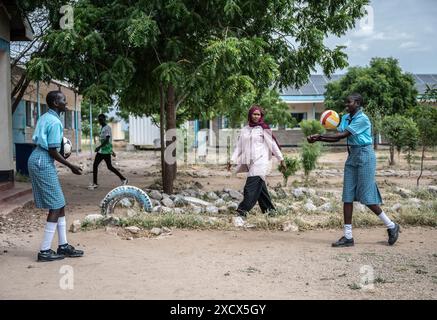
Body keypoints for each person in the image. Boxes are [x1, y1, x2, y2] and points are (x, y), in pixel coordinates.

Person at [307, 93, 400, 247]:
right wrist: (325, 129)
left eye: (349, 102)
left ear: (357, 103)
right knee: (347, 195)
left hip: (365, 155)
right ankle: (348, 237)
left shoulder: (362, 119)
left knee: (366, 196)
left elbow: (342, 135)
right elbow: (337, 131)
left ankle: (391, 225)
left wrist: (319, 137)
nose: (346, 105)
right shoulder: (345, 118)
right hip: (352, 156)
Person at [28, 91, 84, 262]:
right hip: (42, 161)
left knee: (59, 204)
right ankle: (44, 250)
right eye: (62, 100)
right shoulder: (55, 122)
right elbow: (52, 150)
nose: (65, 103)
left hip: (37, 158)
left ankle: (63, 245)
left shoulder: (46, 117)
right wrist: (71, 165)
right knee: (56, 204)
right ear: (54, 103)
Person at [227, 105, 287, 226]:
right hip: (250, 162)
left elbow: (273, 145)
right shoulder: (244, 130)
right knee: (261, 189)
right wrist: (231, 160)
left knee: (250, 187)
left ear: (261, 116)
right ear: (250, 115)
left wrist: (281, 159)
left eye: (258, 114)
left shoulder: (263, 128)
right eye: (254, 114)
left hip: (261, 161)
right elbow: (239, 147)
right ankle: (270, 211)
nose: (256, 116)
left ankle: (242, 212)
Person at [89, 114, 127, 189]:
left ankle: (124, 179)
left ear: (104, 119)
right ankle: (95, 183)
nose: (100, 121)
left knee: (106, 166)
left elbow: (107, 140)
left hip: (104, 151)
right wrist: (111, 151)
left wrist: (99, 147)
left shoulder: (107, 128)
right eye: (99, 120)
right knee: (100, 166)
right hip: (103, 150)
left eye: (101, 119)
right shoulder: (102, 128)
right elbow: (106, 141)